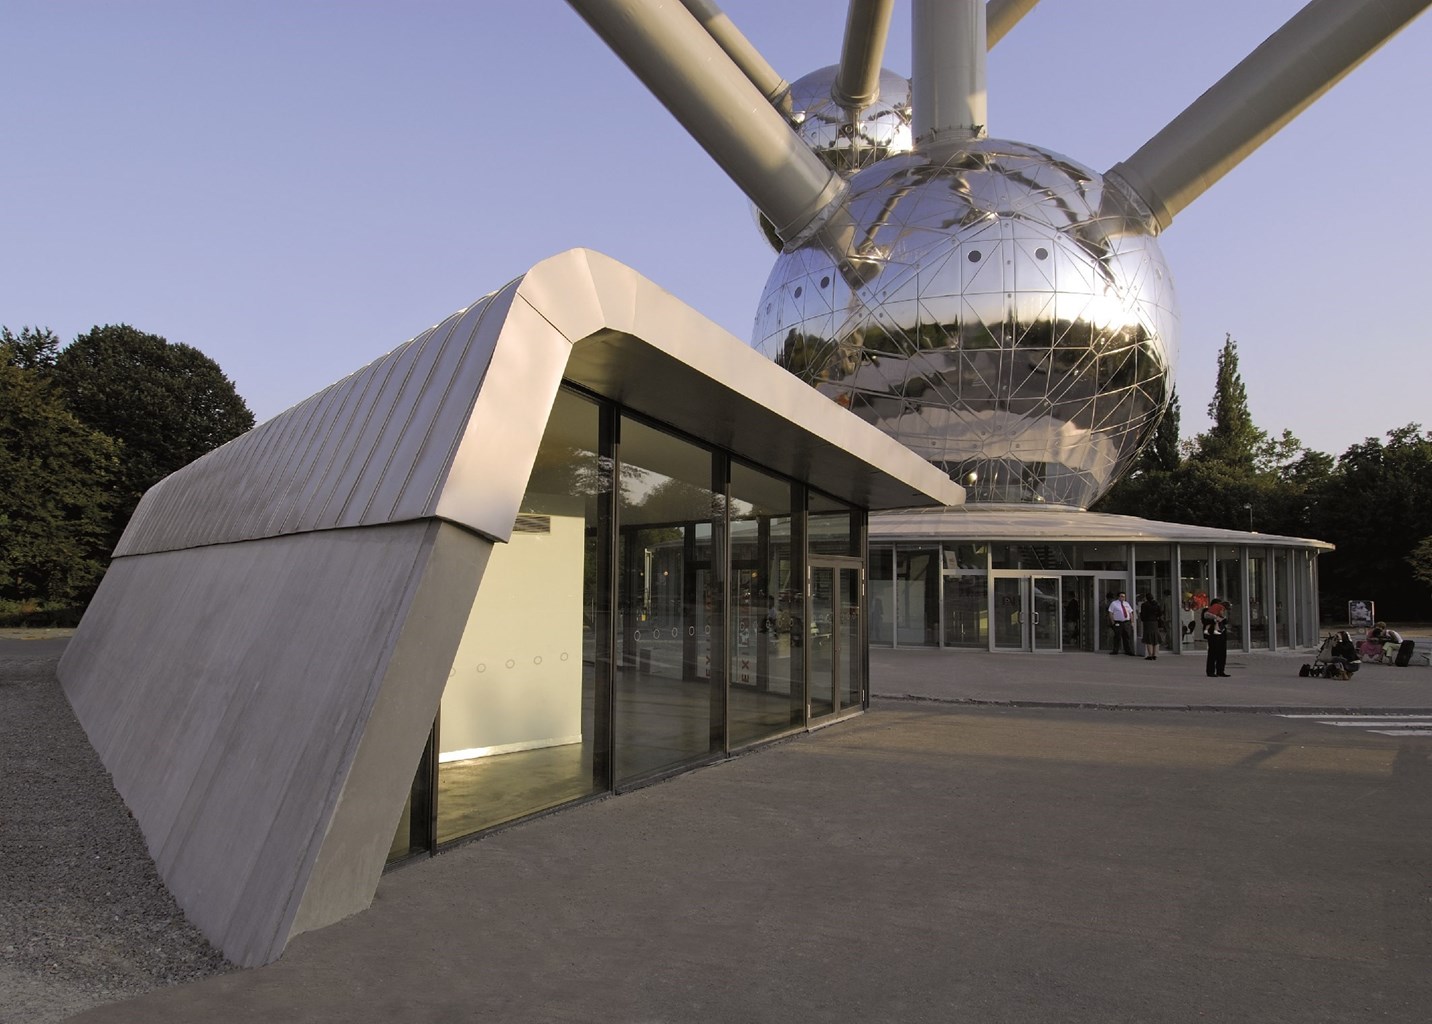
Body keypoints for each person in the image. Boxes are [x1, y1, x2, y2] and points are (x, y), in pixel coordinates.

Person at [1203, 597, 1230, 677]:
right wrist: (1216, 618)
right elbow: (1205, 620)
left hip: (1221, 634)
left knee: (1222, 653)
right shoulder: (1207, 612)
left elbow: (1224, 621)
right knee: (1213, 653)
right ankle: (1210, 671)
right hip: (1213, 635)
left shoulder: (1221, 612)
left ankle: (1220, 670)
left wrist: (1222, 619)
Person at [1107, 591, 1135, 656]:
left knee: (1126, 637)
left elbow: (1130, 613)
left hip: (1126, 623)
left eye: (1124, 596)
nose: (1123, 598)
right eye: (1122, 596)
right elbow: (1110, 613)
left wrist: (1132, 622)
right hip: (1118, 622)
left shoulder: (1127, 604)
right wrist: (1113, 622)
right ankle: (1115, 650)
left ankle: (1128, 651)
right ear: (1118, 597)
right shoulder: (1114, 603)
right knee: (1117, 637)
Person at [1139, 592, 1164, 660]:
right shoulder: (1156, 604)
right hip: (1155, 622)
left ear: (1146, 598)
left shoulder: (1144, 605)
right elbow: (1160, 613)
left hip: (1147, 622)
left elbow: (1142, 615)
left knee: (1148, 639)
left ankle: (1150, 655)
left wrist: (1143, 619)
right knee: (1155, 638)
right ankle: (1155, 654)